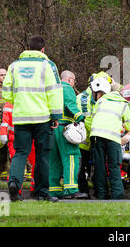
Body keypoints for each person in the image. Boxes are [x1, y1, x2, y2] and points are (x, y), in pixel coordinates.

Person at [2, 35, 63, 202]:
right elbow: (55, 91)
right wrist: (55, 115)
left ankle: (14, 183)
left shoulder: (14, 66)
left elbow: (6, 92)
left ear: (28, 49)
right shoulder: (47, 65)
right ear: (43, 50)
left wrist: (20, 102)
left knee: (20, 153)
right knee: (43, 155)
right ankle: (42, 193)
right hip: (42, 118)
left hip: (21, 117)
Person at [90, 76, 130, 200]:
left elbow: (94, 117)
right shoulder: (123, 103)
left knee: (100, 166)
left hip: (96, 135)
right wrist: (125, 127)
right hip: (112, 137)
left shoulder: (101, 101)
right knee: (114, 165)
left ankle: (101, 194)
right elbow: (129, 124)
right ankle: (117, 194)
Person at [49, 70, 87, 199]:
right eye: (74, 81)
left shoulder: (52, 88)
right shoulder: (67, 88)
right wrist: (80, 118)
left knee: (55, 160)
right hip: (65, 129)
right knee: (71, 157)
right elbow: (70, 104)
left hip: (52, 128)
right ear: (70, 80)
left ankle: (53, 189)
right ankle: (71, 189)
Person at [76, 71, 115, 198]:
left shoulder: (96, 95)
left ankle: (94, 191)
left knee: (94, 167)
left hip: (92, 138)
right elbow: (88, 120)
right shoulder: (85, 99)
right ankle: (85, 191)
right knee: (83, 168)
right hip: (86, 139)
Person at [0, 101, 36, 195]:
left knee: (16, 163)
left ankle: (16, 188)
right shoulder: (30, 98)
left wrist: (3, 134)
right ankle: (35, 187)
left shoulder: (9, 104)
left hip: (14, 138)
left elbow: (5, 122)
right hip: (30, 136)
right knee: (36, 162)